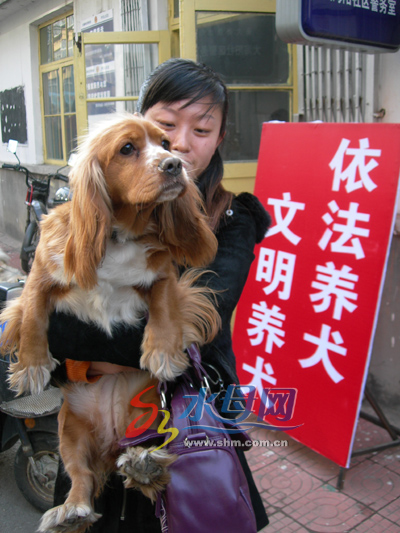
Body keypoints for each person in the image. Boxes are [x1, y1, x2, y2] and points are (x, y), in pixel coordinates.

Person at [49, 58, 270, 532]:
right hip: (93, 438)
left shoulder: (234, 222)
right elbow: (53, 332)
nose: (183, 145)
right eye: (166, 125)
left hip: (187, 431)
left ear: (219, 139)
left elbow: (198, 330)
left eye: (203, 129)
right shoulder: (84, 207)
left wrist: (96, 348)